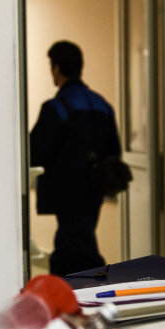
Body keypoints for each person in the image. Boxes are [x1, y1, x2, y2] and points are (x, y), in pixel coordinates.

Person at [30, 41, 122, 276]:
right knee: (69, 246)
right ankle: (63, 288)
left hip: (66, 193)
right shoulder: (103, 105)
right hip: (95, 191)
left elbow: (35, 152)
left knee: (79, 250)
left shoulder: (56, 107)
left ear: (57, 68)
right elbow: (115, 151)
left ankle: (99, 284)